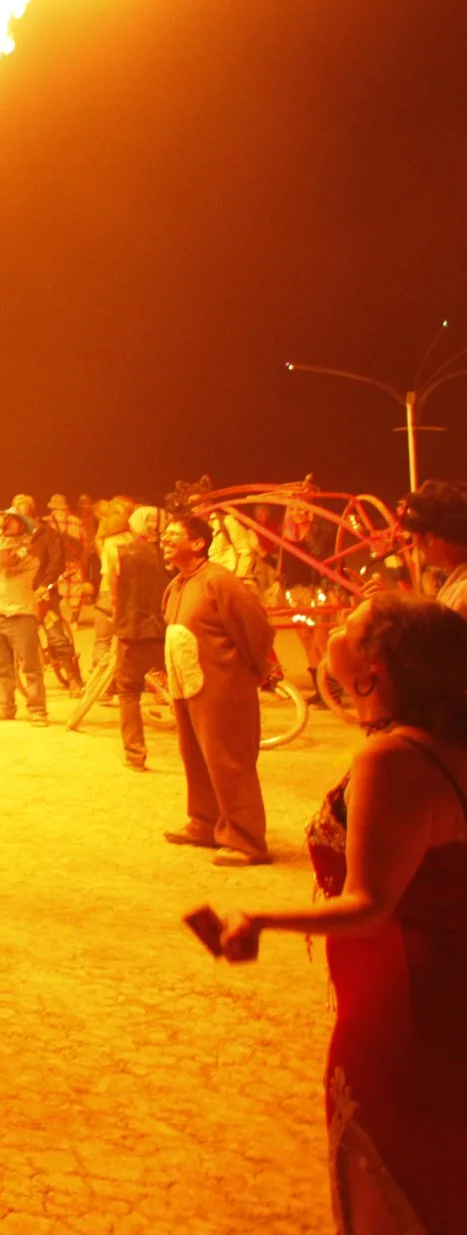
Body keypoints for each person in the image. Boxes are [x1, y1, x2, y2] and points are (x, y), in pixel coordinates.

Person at [195, 594, 467, 1234]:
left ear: (375, 663)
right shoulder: (441, 741)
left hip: (403, 998)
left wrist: (257, 918)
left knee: (398, 1168)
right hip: (448, 979)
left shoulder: (396, 758)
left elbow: (370, 905)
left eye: (350, 624)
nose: (334, 624)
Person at [162, 511, 275, 865]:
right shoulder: (178, 584)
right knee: (194, 755)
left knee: (228, 759)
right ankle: (205, 822)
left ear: (198, 544)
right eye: (164, 535)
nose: (164, 540)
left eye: (173, 535)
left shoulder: (220, 581)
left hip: (222, 686)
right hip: (188, 685)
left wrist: (257, 670)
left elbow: (255, 627)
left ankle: (246, 840)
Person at [101, 505, 169, 770]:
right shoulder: (172, 553)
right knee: (186, 694)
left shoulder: (116, 551)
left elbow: (115, 595)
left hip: (133, 631)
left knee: (129, 693)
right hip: (168, 631)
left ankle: (135, 755)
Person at [0, 509, 49, 723]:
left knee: (31, 667)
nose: (5, 524)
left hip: (21, 614)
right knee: (2, 668)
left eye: (10, 521)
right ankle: (5, 708)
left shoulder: (28, 548)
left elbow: (6, 560)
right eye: (4, 520)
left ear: (22, 525)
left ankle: (37, 710)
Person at [396, 480, 467, 611]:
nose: (418, 550)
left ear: (429, 539)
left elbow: (434, 629)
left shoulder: (460, 598)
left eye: (417, 542)